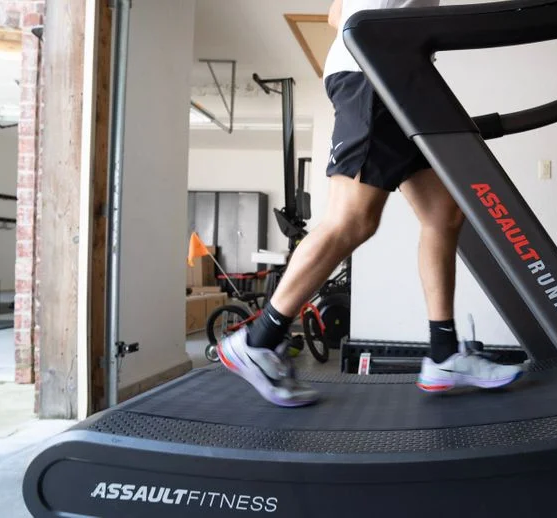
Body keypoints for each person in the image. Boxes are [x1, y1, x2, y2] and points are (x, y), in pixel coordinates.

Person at [216, 0, 524, 407]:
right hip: (373, 72)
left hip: (398, 75)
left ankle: (444, 354)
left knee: (443, 214)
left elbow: (334, 14)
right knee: (352, 220)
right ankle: (258, 341)